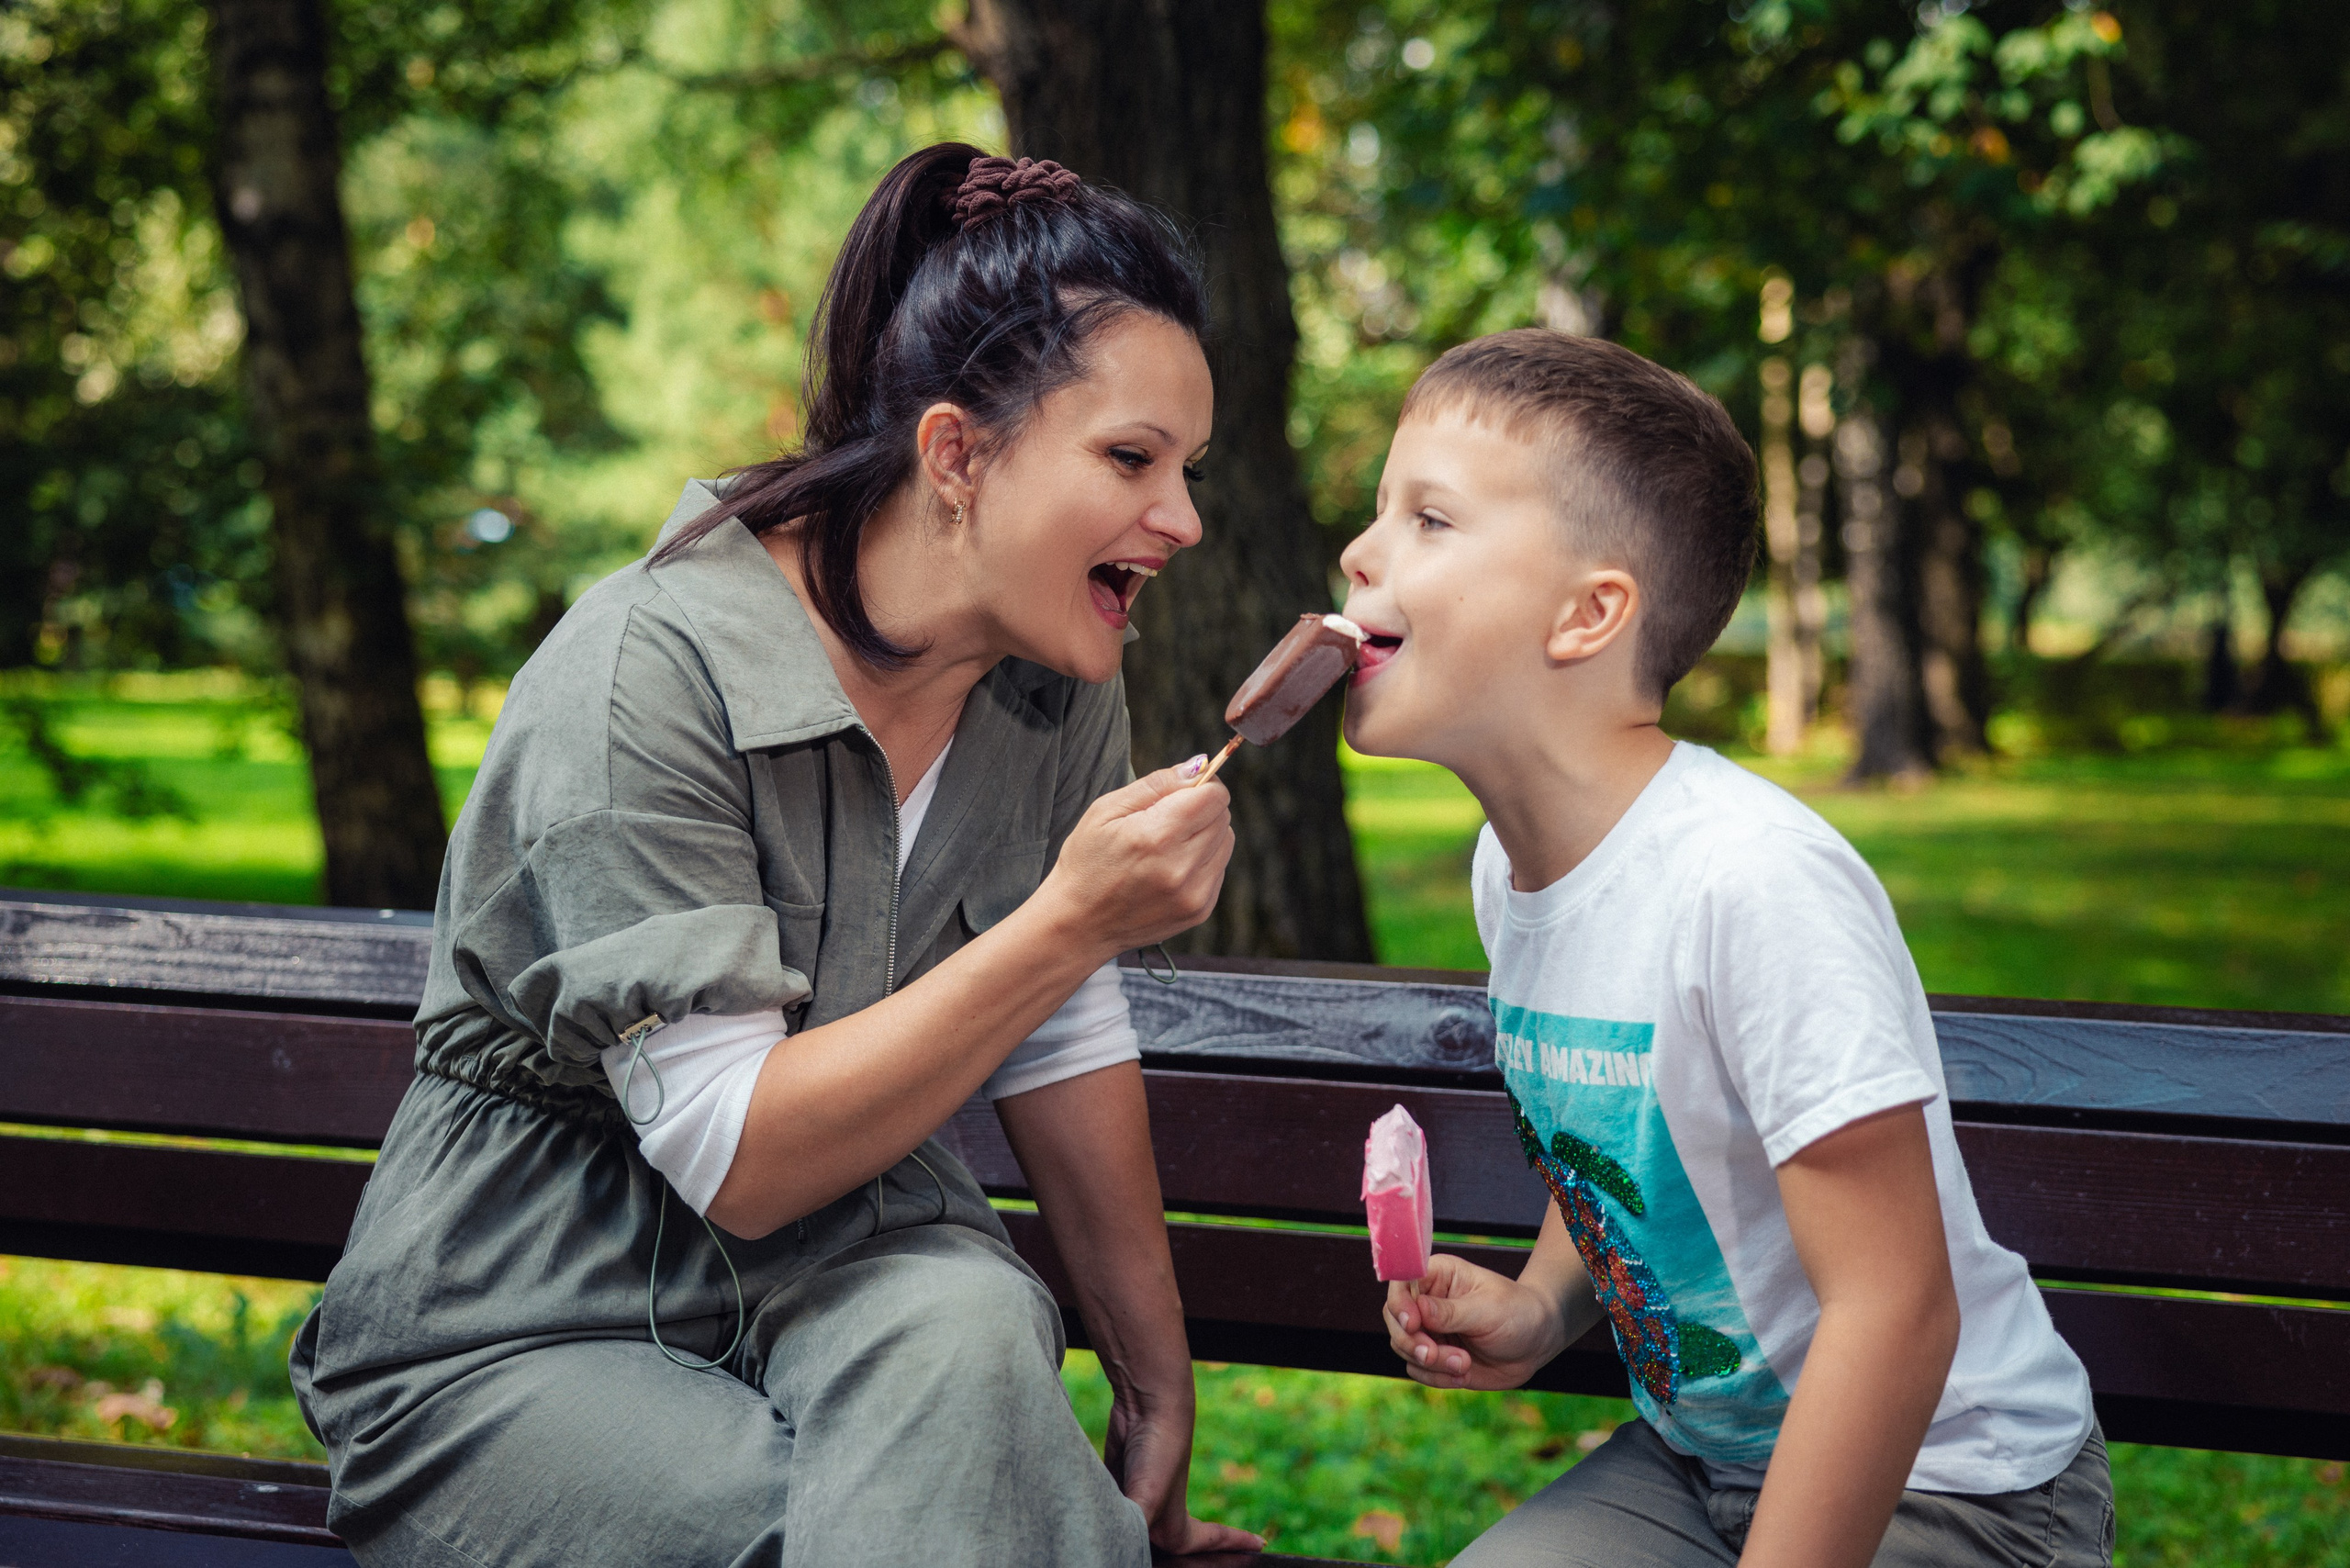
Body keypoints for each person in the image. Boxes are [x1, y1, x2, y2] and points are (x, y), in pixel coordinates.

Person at [289, 144, 1266, 1567]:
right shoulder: (640, 672)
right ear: (956, 454)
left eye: (1188, 467)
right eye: (1132, 459)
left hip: (843, 1274)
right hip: (519, 1323)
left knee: (977, 1317)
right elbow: (734, 1155)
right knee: (888, 1531)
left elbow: (1060, 1030)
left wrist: (1153, 1383)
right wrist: (1069, 919)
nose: (1182, 518)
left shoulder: (1058, 672)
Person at [1339, 330, 2113, 1567]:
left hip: (1953, 1484)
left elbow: (1895, 1312)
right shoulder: (1517, 865)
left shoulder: (1749, 884)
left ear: (1588, 615)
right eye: (1380, 511)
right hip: (1704, 1459)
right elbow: (1623, 1131)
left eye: (1428, 520)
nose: (1360, 552)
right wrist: (1543, 1306)